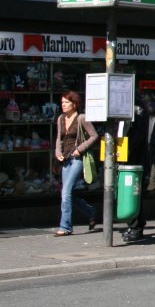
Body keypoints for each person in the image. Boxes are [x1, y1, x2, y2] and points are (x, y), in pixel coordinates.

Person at [53, 90, 98, 236]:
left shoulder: (81, 118)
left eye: (66, 102)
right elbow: (59, 138)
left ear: (74, 104)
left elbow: (94, 136)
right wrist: (58, 153)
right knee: (68, 193)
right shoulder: (60, 118)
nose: (63, 105)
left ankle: (65, 227)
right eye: (62, 102)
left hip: (77, 159)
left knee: (65, 192)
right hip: (65, 159)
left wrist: (80, 149)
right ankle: (91, 212)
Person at [122, 98, 153, 242]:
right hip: (129, 156)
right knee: (130, 193)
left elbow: (138, 135)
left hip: (135, 159)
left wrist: (126, 150)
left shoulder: (137, 108)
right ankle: (133, 225)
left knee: (134, 193)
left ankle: (136, 227)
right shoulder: (133, 106)